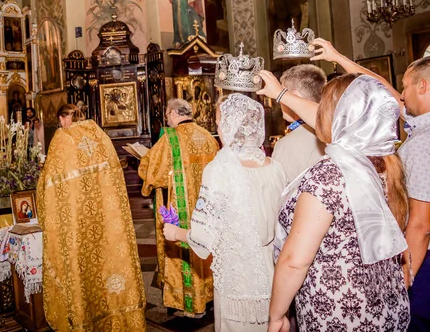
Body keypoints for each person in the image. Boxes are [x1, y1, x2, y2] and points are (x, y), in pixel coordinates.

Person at [258, 73, 410, 331]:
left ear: (336, 115)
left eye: (324, 107)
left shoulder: (329, 175)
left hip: (340, 312)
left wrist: (276, 314)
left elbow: (295, 260)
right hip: (385, 306)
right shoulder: (385, 163)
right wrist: (280, 94)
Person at [311, 39, 430, 330]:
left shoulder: (424, 142)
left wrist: (407, 279)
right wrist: (337, 56)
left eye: (405, 86)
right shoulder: (426, 126)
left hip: (426, 259)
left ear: (423, 87)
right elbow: (382, 87)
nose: (401, 95)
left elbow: (422, 225)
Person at [163, 93, 287, 331]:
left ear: (231, 127)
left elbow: (203, 237)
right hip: (274, 273)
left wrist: (175, 233)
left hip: (238, 277)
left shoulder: (220, 169)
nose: (218, 127)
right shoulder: (276, 167)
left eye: (220, 122)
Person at [36, 104, 146, 331]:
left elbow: (47, 185)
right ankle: (121, 317)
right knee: (111, 263)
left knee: (82, 271)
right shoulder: (101, 137)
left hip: (77, 224)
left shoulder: (62, 140)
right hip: (108, 221)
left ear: (63, 118)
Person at [138, 98, 218, 317]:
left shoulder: (170, 139)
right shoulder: (209, 137)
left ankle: (185, 299)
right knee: (205, 245)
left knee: (180, 247)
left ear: (173, 114)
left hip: (180, 209)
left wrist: (143, 162)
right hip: (206, 208)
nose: (167, 119)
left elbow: (153, 172)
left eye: (166, 115)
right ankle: (208, 296)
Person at [272, 64, 326, 183]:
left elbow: (279, 192)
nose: (279, 101)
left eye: (282, 95)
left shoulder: (286, 145)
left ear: (294, 96)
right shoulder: (333, 129)